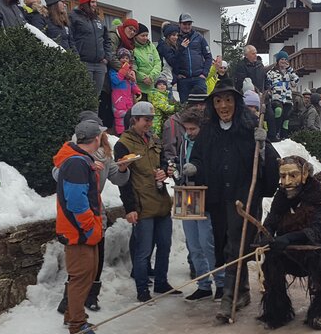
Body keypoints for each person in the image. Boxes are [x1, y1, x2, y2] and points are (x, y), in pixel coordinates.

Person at [188, 79, 279, 322]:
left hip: (243, 200)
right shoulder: (208, 131)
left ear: (236, 103)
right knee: (225, 245)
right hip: (219, 199)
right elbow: (198, 157)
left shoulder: (249, 127)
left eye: (228, 100)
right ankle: (243, 292)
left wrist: (264, 145)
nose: (223, 105)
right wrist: (193, 168)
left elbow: (270, 162)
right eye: (218, 101)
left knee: (235, 246)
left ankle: (228, 298)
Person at [54, 111, 130, 316]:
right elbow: (61, 178)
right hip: (81, 219)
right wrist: (86, 166)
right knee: (80, 265)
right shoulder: (73, 154)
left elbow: (116, 177)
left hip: (97, 211)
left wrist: (122, 169)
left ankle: (90, 298)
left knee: (96, 259)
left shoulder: (103, 152)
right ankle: (71, 308)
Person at [257, 156, 321, 331]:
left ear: (304, 175)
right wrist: (266, 236)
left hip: (314, 248)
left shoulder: (318, 196)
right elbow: (272, 220)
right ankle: (278, 311)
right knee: (271, 260)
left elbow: (318, 230)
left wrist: (290, 238)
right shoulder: (281, 196)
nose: (287, 182)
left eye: (293, 175)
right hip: (289, 252)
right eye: (283, 177)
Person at [53, 118, 108, 334]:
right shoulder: (76, 163)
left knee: (84, 275)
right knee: (81, 277)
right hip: (79, 233)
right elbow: (76, 202)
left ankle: (72, 315)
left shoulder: (80, 160)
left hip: (81, 231)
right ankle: (77, 324)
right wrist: (90, 227)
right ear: (96, 139)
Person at [115, 102, 174, 303]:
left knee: (165, 244)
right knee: (143, 250)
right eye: (146, 120)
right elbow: (122, 181)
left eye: (151, 119)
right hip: (141, 204)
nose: (149, 123)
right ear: (135, 120)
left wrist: (164, 170)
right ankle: (142, 289)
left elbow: (164, 161)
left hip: (161, 201)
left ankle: (161, 282)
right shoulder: (123, 144)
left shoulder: (154, 139)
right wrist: (129, 208)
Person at [175, 107, 224, 301]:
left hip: (205, 195)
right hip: (187, 194)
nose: (189, 133)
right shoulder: (183, 144)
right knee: (193, 243)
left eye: (193, 129)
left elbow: (216, 170)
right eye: (186, 129)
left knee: (207, 243)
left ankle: (220, 282)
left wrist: (197, 171)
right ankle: (203, 284)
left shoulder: (211, 143)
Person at [71, 0, 112, 122]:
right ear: (84, 2)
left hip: (99, 64)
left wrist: (107, 57)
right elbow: (70, 38)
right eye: (92, 2)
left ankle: (93, 124)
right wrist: (76, 57)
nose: (95, 5)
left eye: (95, 2)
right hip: (84, 62)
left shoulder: (98, 20)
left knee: (96, 97)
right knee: (84, 95)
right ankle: (82, 123)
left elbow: (107, 39)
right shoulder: (73, 17)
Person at [163, 13, 212, 103]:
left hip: (199, 78)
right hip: (183, 80)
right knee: (185, 108)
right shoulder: (175, 38)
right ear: (179, 24)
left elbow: (208, 57)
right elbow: (171, 60)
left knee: (202, 106)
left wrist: (204, 73)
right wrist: (177, 75)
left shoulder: (199, 37)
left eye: (189, 24)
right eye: (184, 24)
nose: (187, 26)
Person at [266, 50, 298, 141]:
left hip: (287, 98)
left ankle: (284, 136)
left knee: (286, 118)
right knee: (278, 111)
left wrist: (290, 70)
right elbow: (267, 83)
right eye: (281, 59)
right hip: (277, 97)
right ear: (278, 61)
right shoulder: (272, 73)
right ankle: (275, 132)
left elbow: (296, 81)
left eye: (285, 59)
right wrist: (269, 91)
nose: (283, 61)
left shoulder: (289, 73)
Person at [109, 47, 142, 134]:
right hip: (118, 98)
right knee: (119, 116)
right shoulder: (114, 71)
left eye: (127, 58)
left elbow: (132, 83)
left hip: (128, 98)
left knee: (129, 117)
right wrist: (123, 70)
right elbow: (115, 80)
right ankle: (120, 134)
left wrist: (137, 91)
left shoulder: (129, 71)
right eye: (122, 58)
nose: (124, 60)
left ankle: (129, 133)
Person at [132, 23, 163, 94]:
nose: (145, 38)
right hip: (137, 88)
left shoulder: (151, 46)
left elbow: (157, 62)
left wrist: (151, 77)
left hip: (151, 87)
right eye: (142, 35)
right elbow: (132, 66)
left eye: (147, 35)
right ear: (136, 36)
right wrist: (143, 78)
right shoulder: (132, 48)